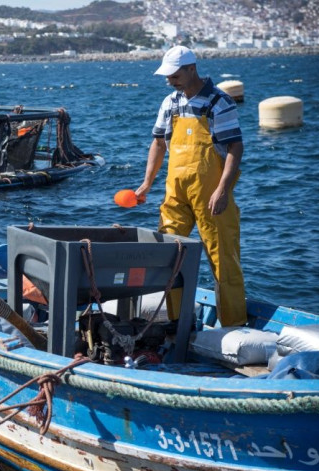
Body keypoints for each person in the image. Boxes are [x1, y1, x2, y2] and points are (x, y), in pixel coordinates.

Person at [135, 45, 247, 327]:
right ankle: (175, 323)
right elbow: (159, 143)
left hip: (212, 195)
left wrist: (223, 189)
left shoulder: (218, 103)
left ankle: (233, 326)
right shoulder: (170, 102)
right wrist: (147, 183)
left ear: (191, 69)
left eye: (174, 74)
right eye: (167, 75)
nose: (169, 80)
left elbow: (235, 147)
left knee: (223, 261)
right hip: (176, 194)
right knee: (169, 257)